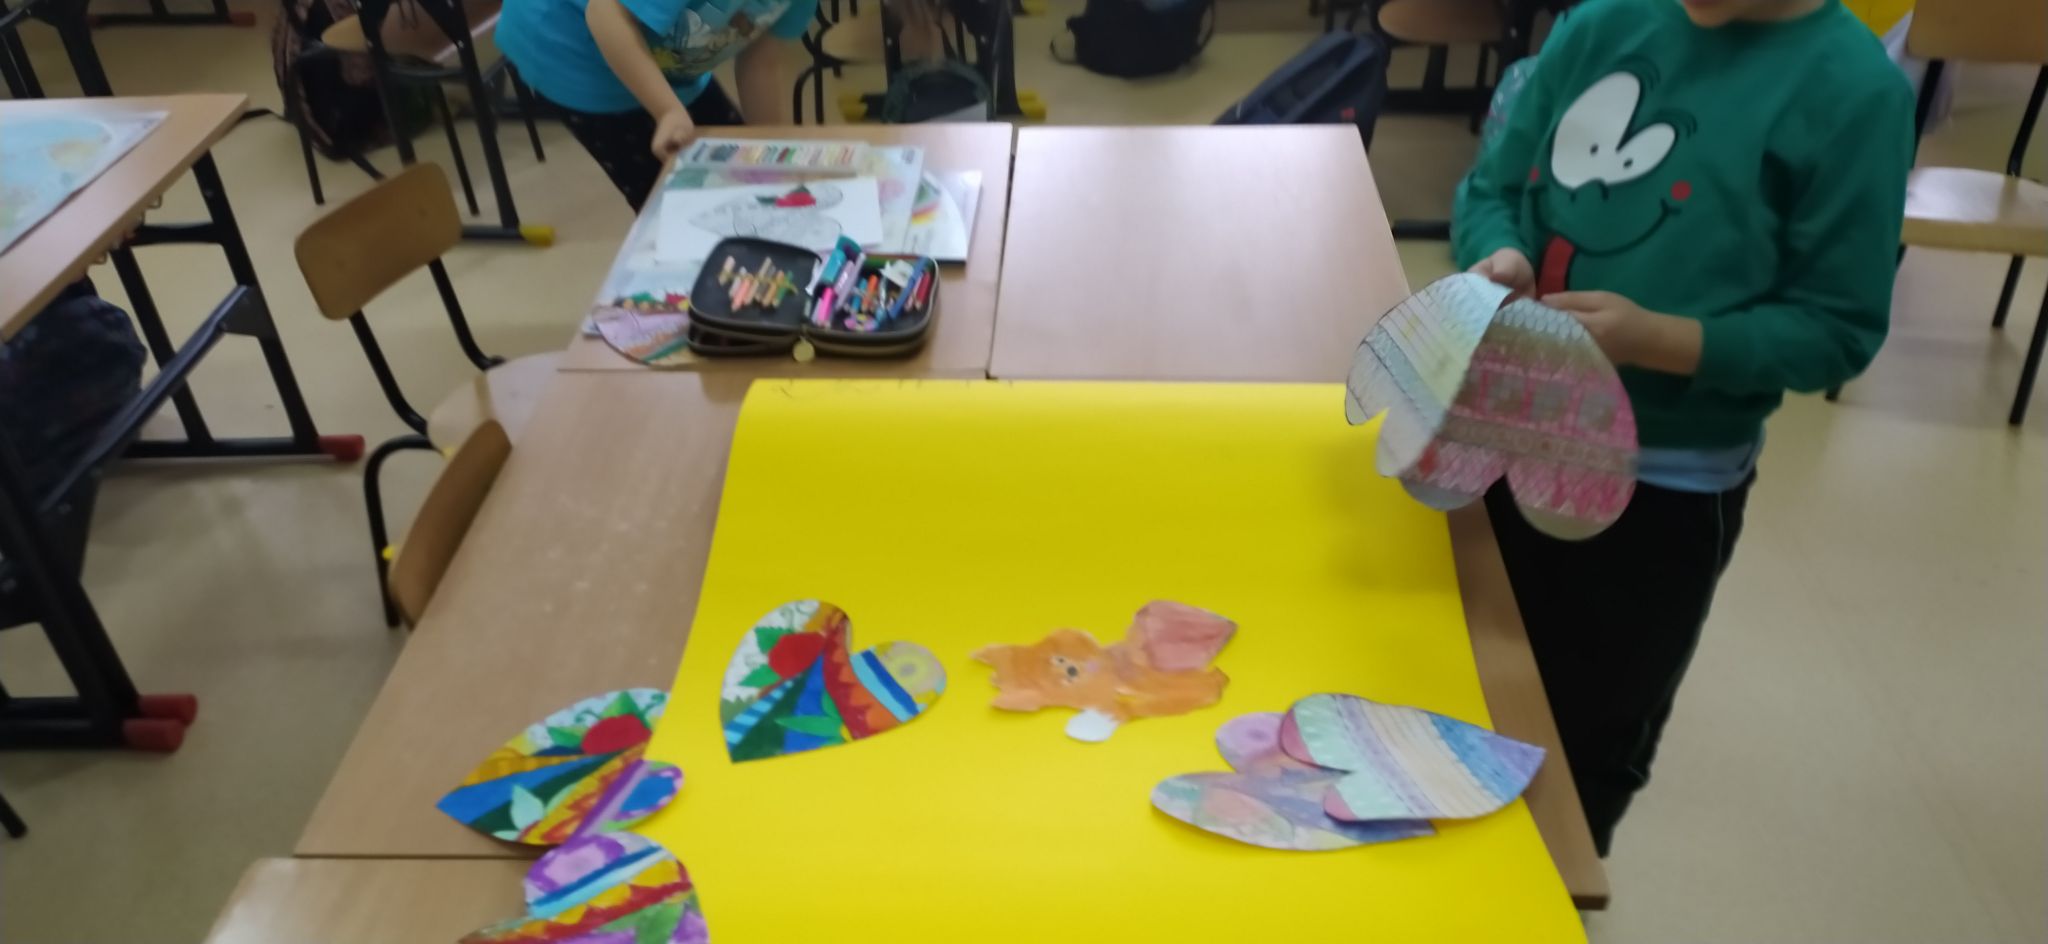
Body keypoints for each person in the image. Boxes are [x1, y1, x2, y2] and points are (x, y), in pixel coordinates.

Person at [1452, 0, 1913, 855]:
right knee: (1465, 682)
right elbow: (1495, 189)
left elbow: (1837, 330)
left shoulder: (1853, 93)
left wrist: (1654, 340)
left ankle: (1552, 889)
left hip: (1660, 490)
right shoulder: (1602, 25)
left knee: (1589, 732)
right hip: (1509, 434)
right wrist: (1500, 254)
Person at [496, 0, 817, 210]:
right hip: (571, 48)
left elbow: (760, 61)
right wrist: (668, 110)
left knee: (742, 182)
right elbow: (606, 14)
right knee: (671, 206)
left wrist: (774, 149)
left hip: (663, 53)